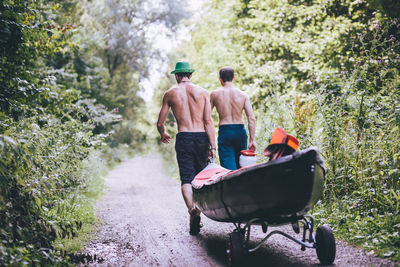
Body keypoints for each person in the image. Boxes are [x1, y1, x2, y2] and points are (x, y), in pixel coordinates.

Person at [157, 61, 216, 235]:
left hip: (184, 137)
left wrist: (163, 134)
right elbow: (208, 122)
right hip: (201, 137)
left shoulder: (170, 94)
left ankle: (192, 209)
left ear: (176, 75)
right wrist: (213, 146)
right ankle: (201, 207)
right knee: (203, 177)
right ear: (190, 75)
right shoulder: (204, 93)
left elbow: (160, 123)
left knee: (187, 178)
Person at [210, 66, 256, 170]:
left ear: (220, 79)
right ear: (233, 78)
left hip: (225, 132)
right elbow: (251, 118)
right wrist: (252, 140)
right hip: (240, 132)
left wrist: (210, 142)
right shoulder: (243, 95)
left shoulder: (215, 94)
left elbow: (206, 118)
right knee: (242, 166)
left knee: (229, 169)